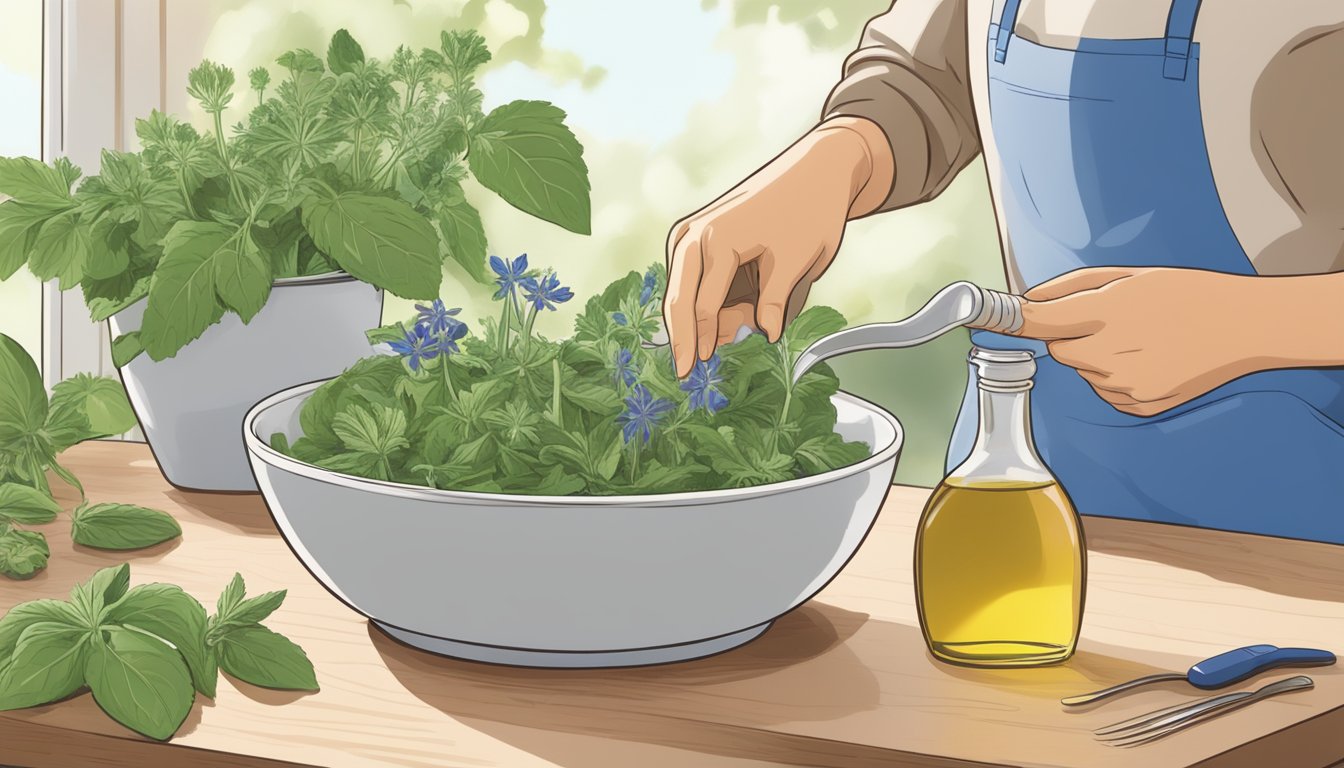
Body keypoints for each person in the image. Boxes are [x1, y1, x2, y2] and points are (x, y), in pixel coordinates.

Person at [663, 0, 1344, 543]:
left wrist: (1251, 325)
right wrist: (840, 160)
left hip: (1298, 529)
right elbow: (928, 76)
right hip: (1028, 490)